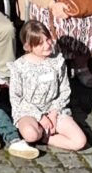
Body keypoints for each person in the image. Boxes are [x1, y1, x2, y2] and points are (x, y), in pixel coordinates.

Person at [5, 20, 87, 156]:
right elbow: (16, 98)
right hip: (29, 111)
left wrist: (53, 113)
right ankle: (38, 133)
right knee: (31, 135)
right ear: (28, 46)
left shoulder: (57, 62)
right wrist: (40, 117)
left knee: (79, 141)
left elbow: (65, 90)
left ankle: (47, 138)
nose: (47, 45)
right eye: (40, 43)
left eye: (48, 39)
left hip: (54, 109)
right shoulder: (19, 67)